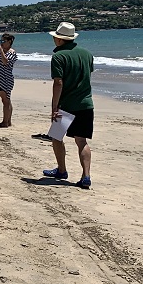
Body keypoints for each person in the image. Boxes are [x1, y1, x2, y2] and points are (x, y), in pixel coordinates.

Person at [43, 23, 94, 189]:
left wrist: (54, 107)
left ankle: (62, 170)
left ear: (59, 39)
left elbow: (58, 82)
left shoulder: (58, 57)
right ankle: (86, 176)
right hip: (86, 103)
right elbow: (87, 75)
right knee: (82, 141)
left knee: (57, 137)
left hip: (66, 105)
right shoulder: (87, 54)